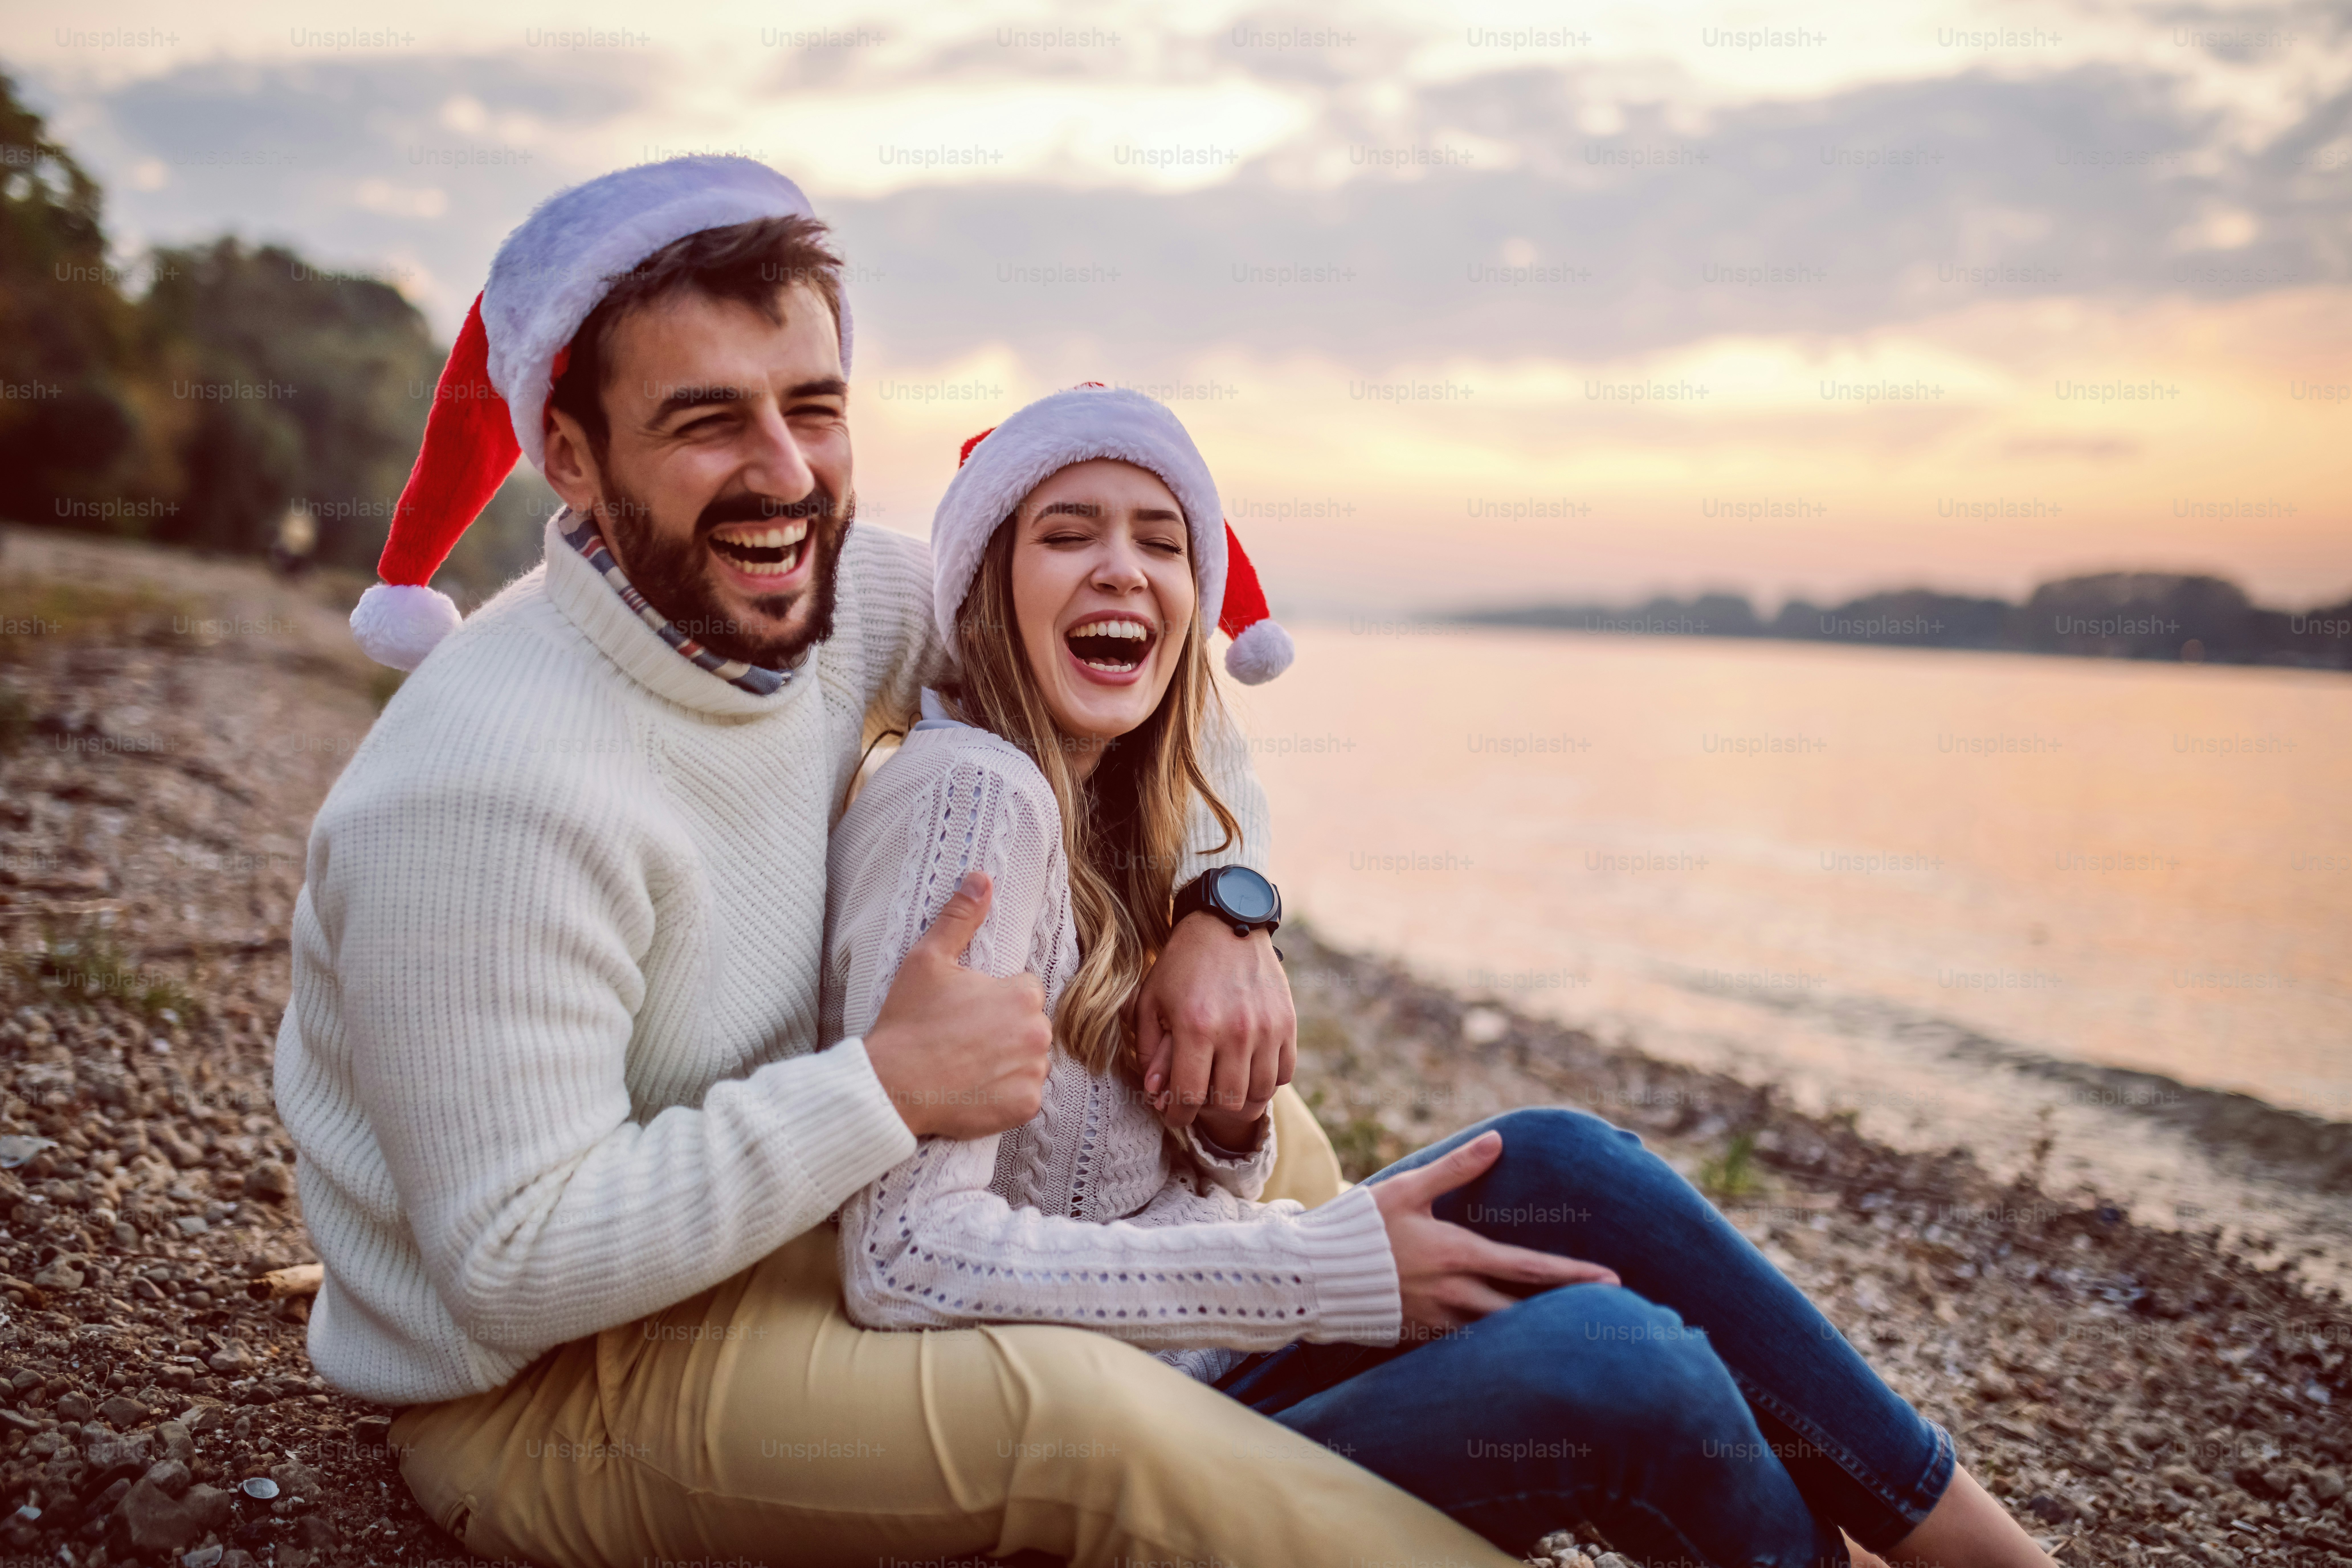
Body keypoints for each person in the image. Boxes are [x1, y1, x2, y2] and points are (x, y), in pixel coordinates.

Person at [277, 155, 1542, 1567]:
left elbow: (1139, 688)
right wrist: (882, 1083)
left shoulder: (837, 594)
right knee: (1084, 1422)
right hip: (548, 1385)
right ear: (567, 454)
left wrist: (1220, 903)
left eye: (813, 408)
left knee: (1260, 1118)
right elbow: (513, 1263)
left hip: (783, 1234)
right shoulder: (482, 789)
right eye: (707, 422)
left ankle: (1434, 1443)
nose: (786, 473)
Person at [824, 383, 2064, 1568]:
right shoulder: (972, 798)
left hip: (1209, 1359)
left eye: (1162, 540)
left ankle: (1966, 1538)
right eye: (1068, 531)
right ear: (987, 585)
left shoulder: (1111, 811)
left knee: (1562, 1162)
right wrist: (1321, 1268)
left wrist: (1226, 1115)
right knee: (1621, 1364)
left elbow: (1135, 1183)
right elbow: (907, 1255)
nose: (1124, 567)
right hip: (1135, 1437)